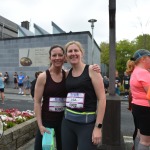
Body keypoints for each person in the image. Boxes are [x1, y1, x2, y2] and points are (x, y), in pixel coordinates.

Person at [34, 45, 100, 150]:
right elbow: (37, 102)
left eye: (60, 55)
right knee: (42, 148)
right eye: (54, 55)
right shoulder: (43, 76)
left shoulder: (67, 74)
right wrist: (40, 124)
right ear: (50, 58)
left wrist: (94, 67)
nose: (57, 58)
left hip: (64, 122)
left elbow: (81, 75)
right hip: (47, 122)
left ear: (64, 57)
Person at [61, 41, 106, 150]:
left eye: (76, 50)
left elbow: (102, 99)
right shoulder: (67, 73)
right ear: (66, 56)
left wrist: (98, 127)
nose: (73, 53)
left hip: (86, 125)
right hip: (67, 123)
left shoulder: (92, 70)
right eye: (70, 51)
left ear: (82, 53)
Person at [126, 49, 150, 150]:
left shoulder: (135, 72)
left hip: (137, 107)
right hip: (146, 109)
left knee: (140, 136)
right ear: (143, 59)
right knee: (146, 141)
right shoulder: (144, 73)